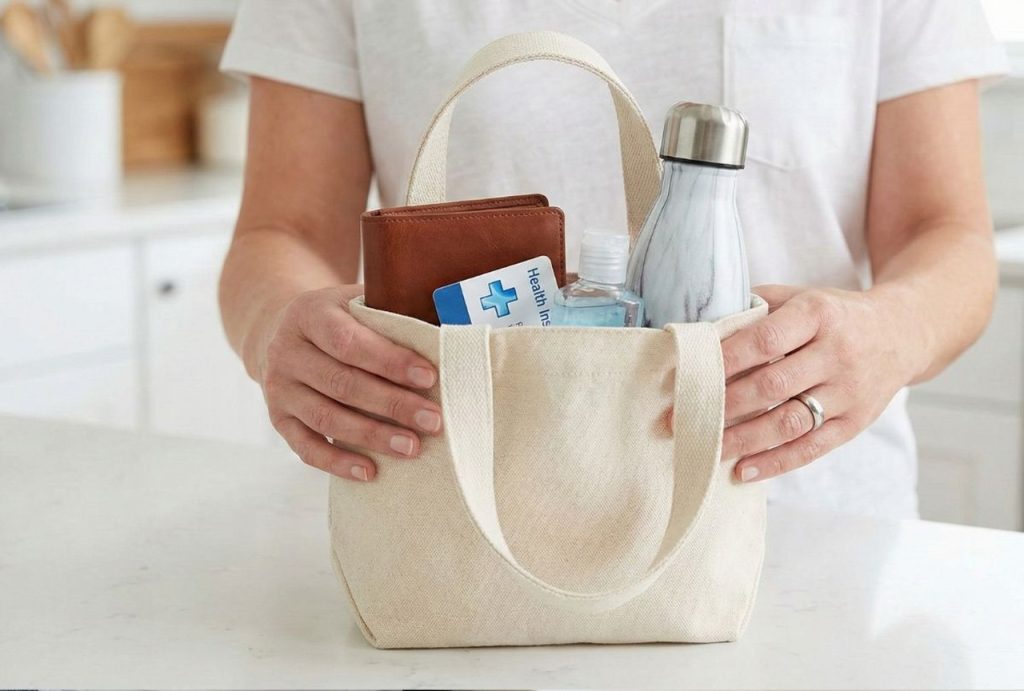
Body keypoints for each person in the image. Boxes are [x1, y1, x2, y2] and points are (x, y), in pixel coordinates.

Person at [218, 1, 1008, 519]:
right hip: (456, 526)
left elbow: (949, 236)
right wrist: (277, 331)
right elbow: (279, 234)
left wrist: (889, 332)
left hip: (805, 513)